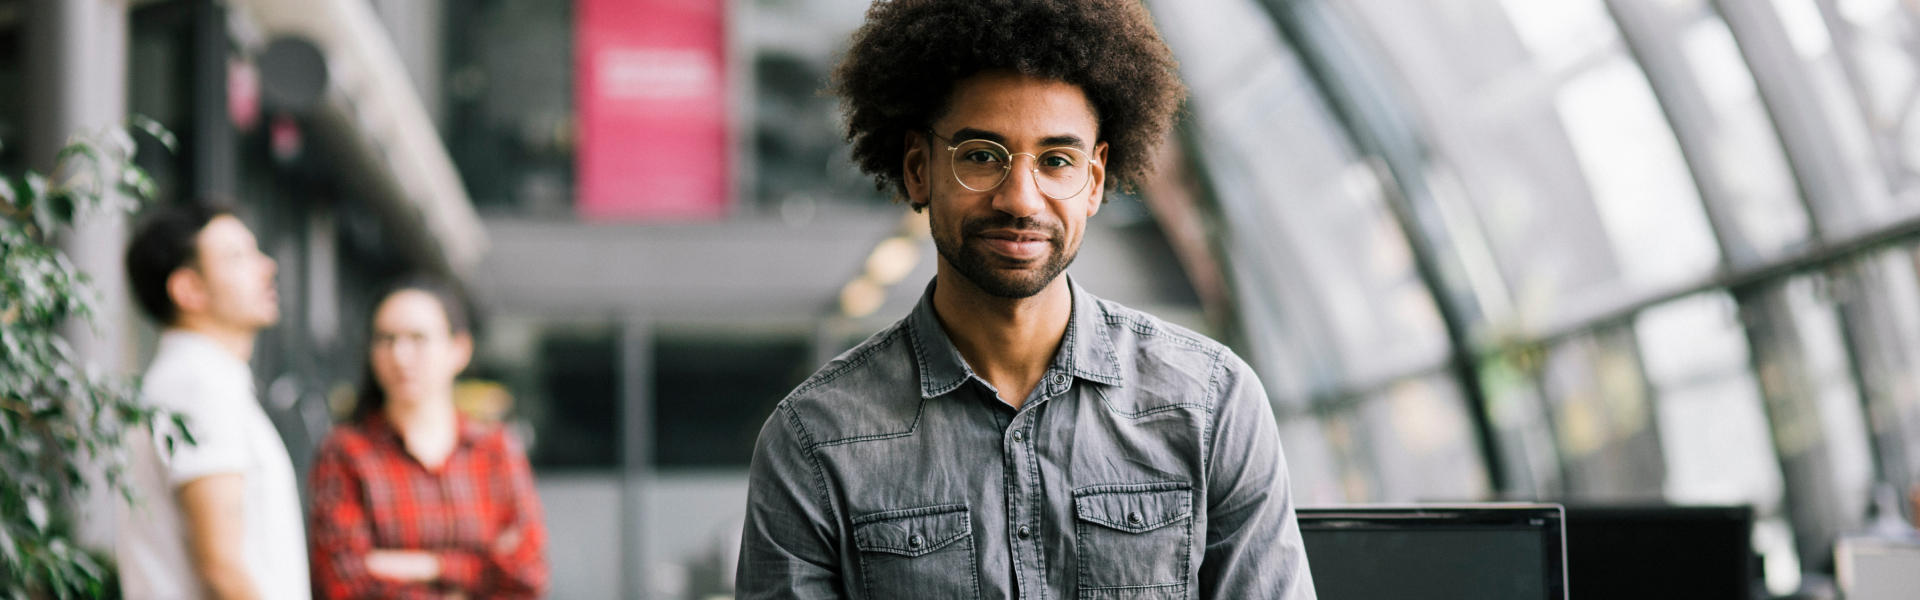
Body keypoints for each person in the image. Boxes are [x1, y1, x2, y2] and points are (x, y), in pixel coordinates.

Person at [736, 1, 1317, 598]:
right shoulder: (813, 440)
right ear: (918, 168)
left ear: (1093, 181)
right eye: (982, 156)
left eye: (1056, 161)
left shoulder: (1211, 406)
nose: (1021, 198)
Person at [307, 278, 548, 599]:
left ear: (459, 349)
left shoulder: (495, 449)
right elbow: (345, 583)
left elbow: (528, 573)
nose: (400, 355)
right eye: (386, 339)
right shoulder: (346, 452)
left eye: (418, 338)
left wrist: (427, 566)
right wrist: (476, 573)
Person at [119, 204, 310, 600]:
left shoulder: (203, 379)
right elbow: (221, 568)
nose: (267, 267)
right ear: (188, 289)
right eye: (237, 257)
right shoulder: (197, 385)